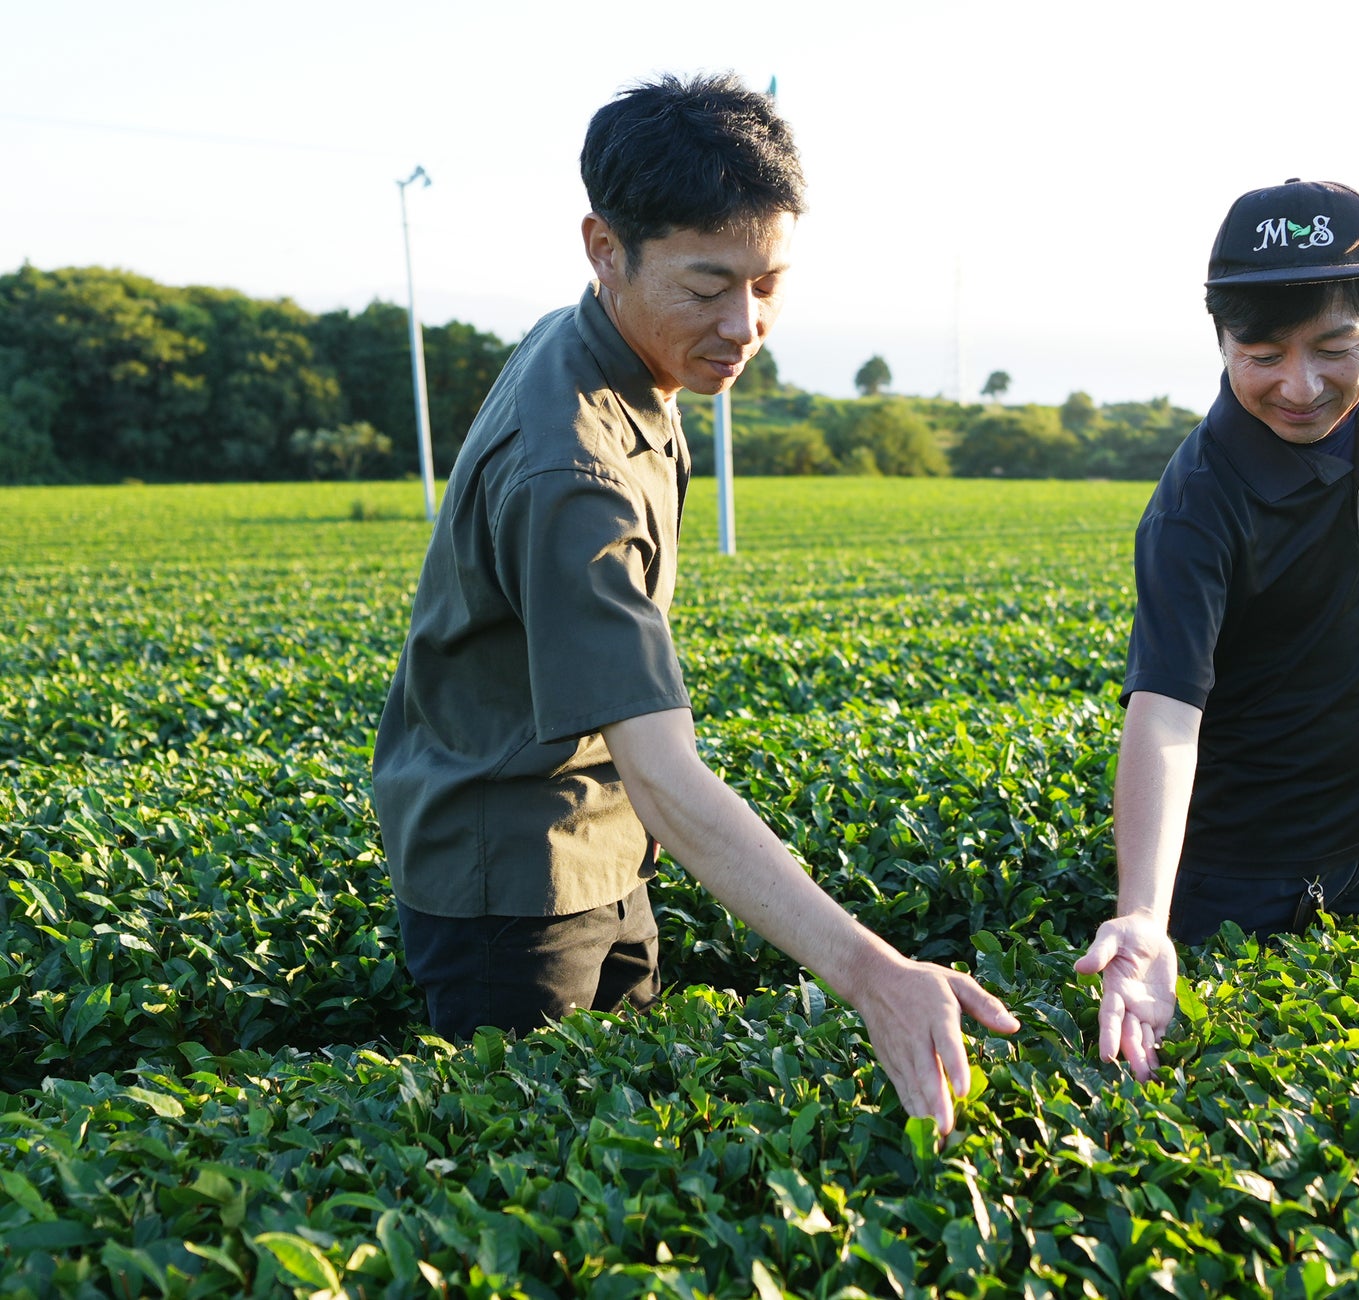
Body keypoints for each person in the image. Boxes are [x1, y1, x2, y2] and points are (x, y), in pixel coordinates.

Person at [371, 74, 1016, 1132]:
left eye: (768, 283)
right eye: (708, 286)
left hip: (601, 842)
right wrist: (874, 974)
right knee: (541, 1166)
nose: (744, 323)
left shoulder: (619, 352)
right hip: (515, 888)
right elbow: (665, 773)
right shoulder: (570, 472)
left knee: (635, 1140)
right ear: (605, 248)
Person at [1074, 180, 1359, 1082]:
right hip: (1238, 876)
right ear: (1220, 341)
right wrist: (1145, 916)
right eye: (1263, 355)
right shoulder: (1198, 506)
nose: (1302, 386)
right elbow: (1163, 713)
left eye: (1336, 348)